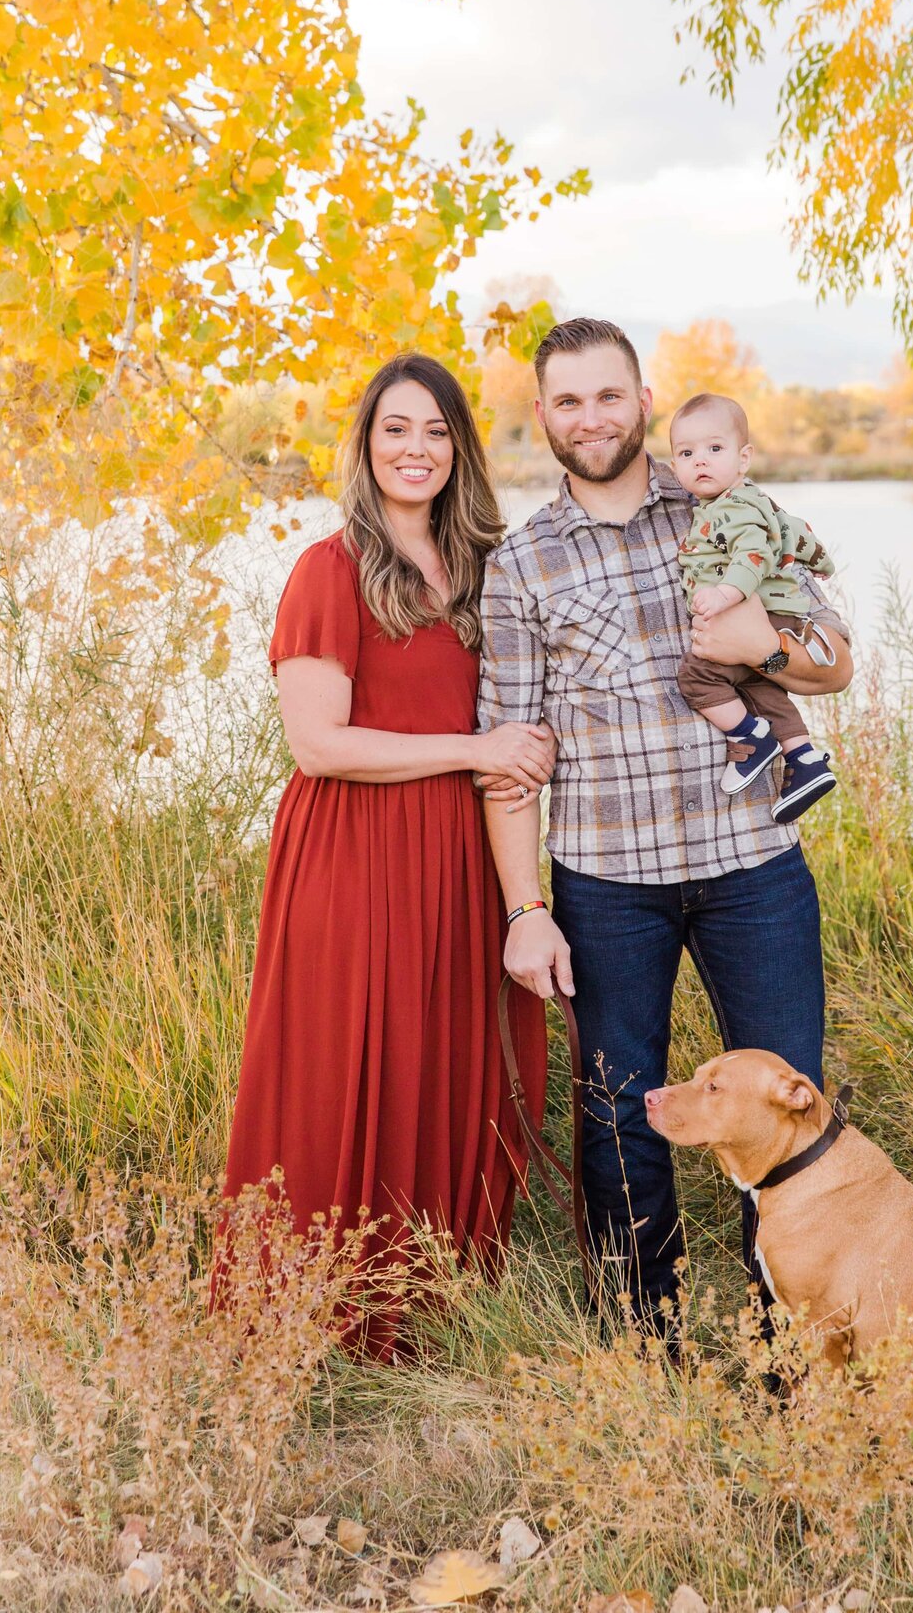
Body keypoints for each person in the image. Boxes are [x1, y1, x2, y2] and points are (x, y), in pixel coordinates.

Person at [475, 317, 852, 1325]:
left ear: (643, 402)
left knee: (791, 1109)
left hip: (754, 870)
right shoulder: (521, 565)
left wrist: (761, 643)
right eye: (567, 401)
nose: (590, 417)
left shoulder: (729, 506)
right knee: (620, 1120)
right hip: (607, 886)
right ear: (544, 416)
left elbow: (835, 661)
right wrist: (524, 909)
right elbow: (510, 762)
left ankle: (790, 1344)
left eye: (608, 396)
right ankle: (646, 1351)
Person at [216, 352, 554, 1359]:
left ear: (462, 449)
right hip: (356, 861)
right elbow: (318, 744)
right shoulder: (331, 569)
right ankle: (310, 1317)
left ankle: (429, 1303)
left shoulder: (490, 568)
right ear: (367, 445)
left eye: (437, 431)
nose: (417, 449)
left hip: (459, 862)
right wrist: (476, 748)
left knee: (446, 1067)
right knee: (349, 1067)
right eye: (396, 428)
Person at [670, 390, 839, 821]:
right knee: (760, 686)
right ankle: (803, 760)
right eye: (687, 453)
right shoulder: (742, 502)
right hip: (775, 617)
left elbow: (752, 556)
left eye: (714, 449)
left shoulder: (735, 508)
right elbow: (795, 530)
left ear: (743, 458)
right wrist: (820, 560)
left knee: (697, 676)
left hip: (762, 613)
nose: (701, 461)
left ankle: (750, 737)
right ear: (674, 466)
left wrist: (726, 594)